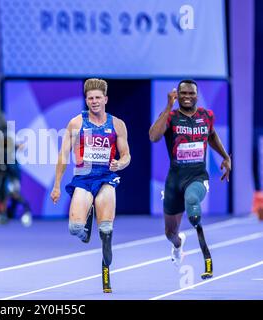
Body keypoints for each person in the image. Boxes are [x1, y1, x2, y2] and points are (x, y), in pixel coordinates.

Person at [51, 78, 131, 293]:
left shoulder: (117, 124)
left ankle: (106, 271)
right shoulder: (76, 123)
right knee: (74, 228)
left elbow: (126, 156)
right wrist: (57, 185)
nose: (94, 101)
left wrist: (119, 164)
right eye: (90, 98)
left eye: (98, 98)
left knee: (105, 228)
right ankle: (86, 223)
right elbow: (63, 154)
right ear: (86, 100)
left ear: (105, 99)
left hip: (106, 178)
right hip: (84, 179)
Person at [149, 79, 231, 279]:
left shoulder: (206, 115)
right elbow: (154, 136)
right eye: (182, 93)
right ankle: (178, 245)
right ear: (177, 95)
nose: (187, 97)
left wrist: (226, 157)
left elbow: (211, 136)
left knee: (192, 200)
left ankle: (207, 258)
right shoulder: (171, 116)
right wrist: (168, 106)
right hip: (174, 180)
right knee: (170, 233)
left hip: (197, 176)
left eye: (191, 93)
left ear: (196, 94)